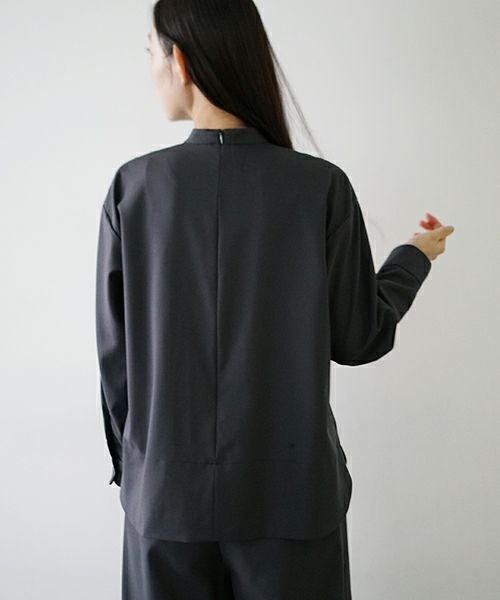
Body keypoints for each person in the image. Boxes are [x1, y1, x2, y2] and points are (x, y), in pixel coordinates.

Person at [94, 1, 455, 598]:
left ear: (179, 62)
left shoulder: (133, 189)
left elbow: (116, 363)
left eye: (151, 52)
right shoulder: (319, 187)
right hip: (292, 502)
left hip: (166, 501)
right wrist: (413, 257)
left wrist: (138, 471)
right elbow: (360, 336)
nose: (151, 68)